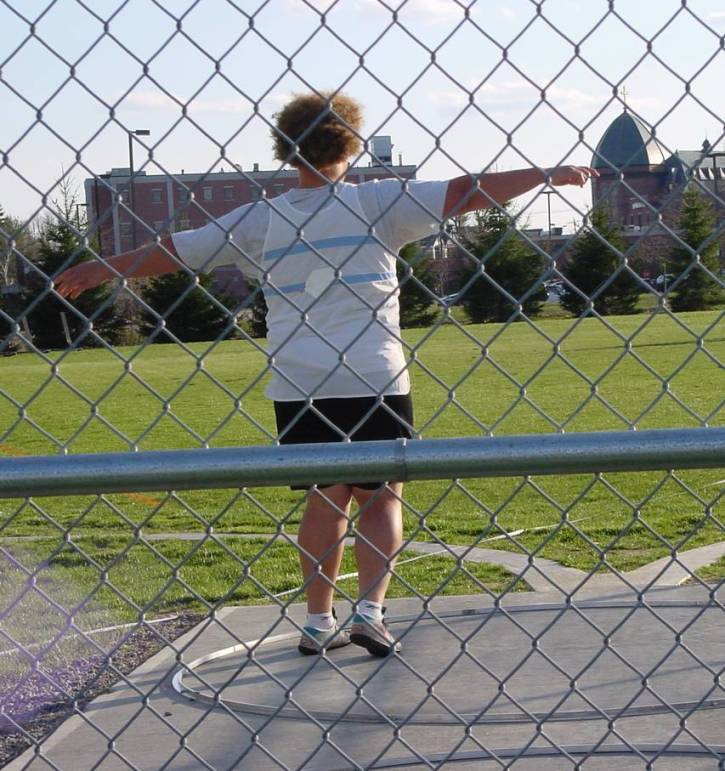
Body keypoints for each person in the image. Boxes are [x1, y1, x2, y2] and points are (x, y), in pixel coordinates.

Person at [56, 91, 597, 658]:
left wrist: (102, 269)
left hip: (299, 384)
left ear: (286, 150)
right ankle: (369, 612)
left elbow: (176, 250)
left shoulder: (261, 219)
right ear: (352, 142)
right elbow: (465, 192)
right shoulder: (378, 203)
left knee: (325, 497)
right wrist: (544, 174)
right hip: (373, 378)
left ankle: (318, 621)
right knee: (382, 495)